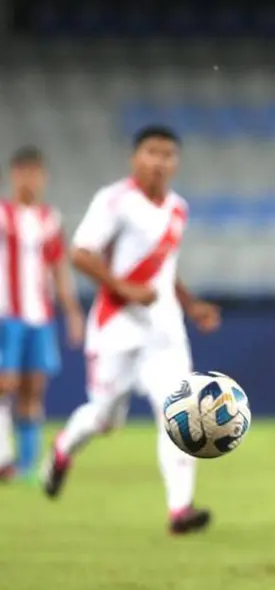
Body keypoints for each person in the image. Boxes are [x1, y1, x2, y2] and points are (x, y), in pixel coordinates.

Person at [39, 125, 221, 535]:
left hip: (166, 333)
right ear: (134, 157)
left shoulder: (178, 208)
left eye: (167, 154)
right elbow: (80, 253)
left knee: (180, 414)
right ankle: (63, 447)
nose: (159, 161)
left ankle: (180, 510)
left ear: (176, 162)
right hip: (116, 330)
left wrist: (191, 305)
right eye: (151, 152)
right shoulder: (115, 201)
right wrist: (124, 288)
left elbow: (165, 269)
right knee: (105, 419)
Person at [0, 147, 84, 482]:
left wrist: (73, 311)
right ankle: (4, 456)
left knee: (33, 388)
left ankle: (28, 466)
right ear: (14, 175)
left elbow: (59, 268)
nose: (31, 180)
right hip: (7, 314)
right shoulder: (3, 213)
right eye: (25, 173)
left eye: (37, 173)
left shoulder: (50, 218)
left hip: (41, 316)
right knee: (5, 383)